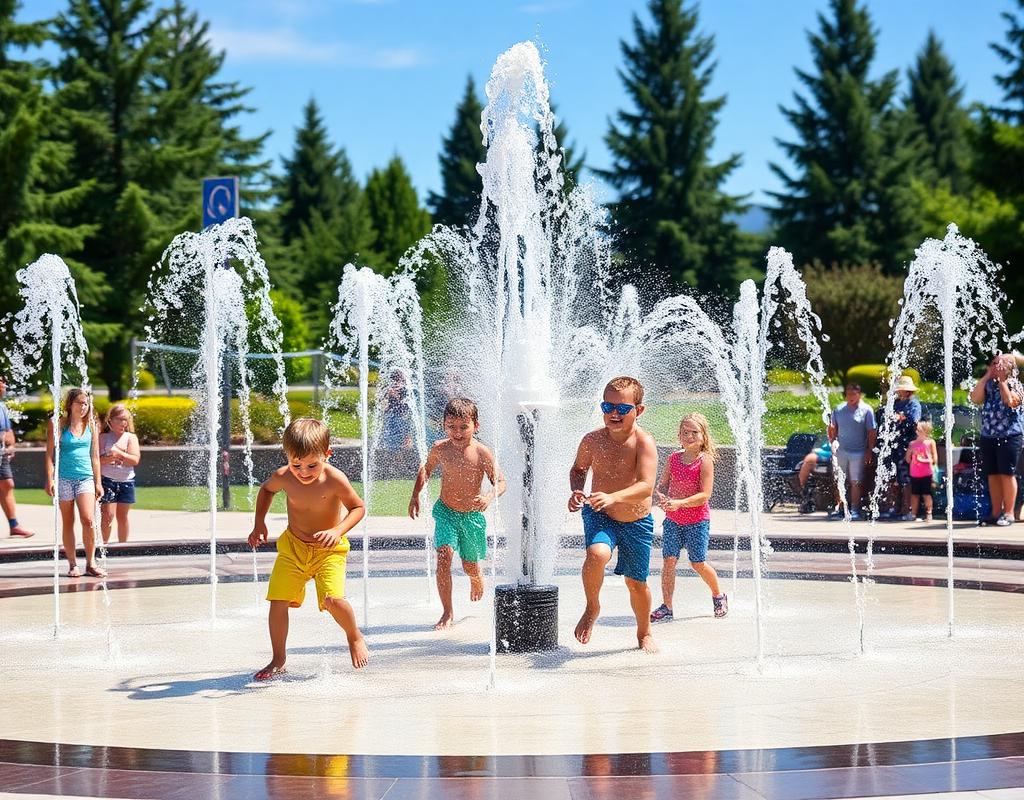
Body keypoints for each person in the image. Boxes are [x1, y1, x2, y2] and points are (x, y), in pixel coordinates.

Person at [247, 418, 368, 679]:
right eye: (296, 464)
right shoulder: (284, 477)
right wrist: (259, 524)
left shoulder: (335, 479)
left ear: (327, 454)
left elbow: (358, 508)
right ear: (287, 457)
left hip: (329, 551)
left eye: (312, 465)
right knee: (277, 601)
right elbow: (266, 491)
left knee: (333, 600)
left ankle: (354, 635)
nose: (303, 471)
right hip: (293, 548)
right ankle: (278, 659)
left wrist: (337, 531)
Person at [568, 376, 659, 653]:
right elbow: (578, 470)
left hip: (636, 520)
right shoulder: (592, 440)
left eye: (622, 408)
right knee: (597, 554)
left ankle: (644, 633)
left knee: (636, 582)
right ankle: (592, 605)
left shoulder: (643, 442)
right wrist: (576, 491)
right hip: (600, 514)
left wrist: (613, 496)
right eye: (608, 406)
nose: (614, 413)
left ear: (639, 410)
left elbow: (646, 486)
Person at [408, 397, 505, 631]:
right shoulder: (440, 449)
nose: (458, 433)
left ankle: (475, 576)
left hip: (471, 518)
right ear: (444, 425)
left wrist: (489, 496)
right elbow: (426, 470)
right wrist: (415, 495)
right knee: (444, 556)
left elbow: (500, 482)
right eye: (451, 427)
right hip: (446, 512)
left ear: (476, 426)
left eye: (464, 427)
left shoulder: (482, 453)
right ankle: (447, 612)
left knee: (469, 565)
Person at [650, 412, 727, 623]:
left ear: (704, 436)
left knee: (698, 563)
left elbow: (705, 495)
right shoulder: (674, 458)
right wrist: (660, 494)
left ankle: (718, 595)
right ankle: (667, 606)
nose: (690, 436)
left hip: (697, 521)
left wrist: (679, 503)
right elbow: (662, 483)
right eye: (685, 432)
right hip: (673, 520)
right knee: (669, 560)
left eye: (695, 432)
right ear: (679, 435)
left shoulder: (705, 461)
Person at [45, 387, 105, 578]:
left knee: (88, 519)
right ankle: (72, 564)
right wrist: (50, 479)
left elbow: (95, 456)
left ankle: (91, 562)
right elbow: (49, 454)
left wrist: (98, 482)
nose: (84, 406)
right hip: (63, 478)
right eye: (80, 403)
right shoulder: (57, 423)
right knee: (68, 521)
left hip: (85, 478)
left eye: (86, 403)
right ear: (70, 404)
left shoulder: (92, 425)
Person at [969, 354, 1023, 527]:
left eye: (999, 364)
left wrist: (1002, 382)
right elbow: (975, 398)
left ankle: (1008, 513)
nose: (995, 366)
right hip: (989, 435)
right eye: (993, 364)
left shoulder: (1016, 385)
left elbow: (1010, 401)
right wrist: (986, 376)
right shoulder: (988, 384)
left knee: (1007, 474)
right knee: (992, 475)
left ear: (1009, 367)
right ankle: (995, 512)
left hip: (1010, 435)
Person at [827, 384, 877, 521]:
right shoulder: (839, 409)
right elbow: (833, 430)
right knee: (839, 480)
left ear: (859, 395)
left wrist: (869, 450)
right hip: (842, 450)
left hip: (858, 452)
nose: (851, 397)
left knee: (855, 481)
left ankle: (855, 509)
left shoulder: (866, 410)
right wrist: (832, 439)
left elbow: (872, 431)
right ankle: (839, 507)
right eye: (848, 394)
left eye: (854, 394)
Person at [99, 403, 141, 543]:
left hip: (126, 482)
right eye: (120, 419)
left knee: (122, 516)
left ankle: (123, 547)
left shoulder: (130, 437)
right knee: (107, 515)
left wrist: (119, 454)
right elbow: (96, 461)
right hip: (107, 481)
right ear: (110, 420)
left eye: (126, 419)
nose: (124, 423)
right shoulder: (103, 438)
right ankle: (102, 547)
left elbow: (134, 460)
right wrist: (109, 458)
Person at [883, 375, 922, 521]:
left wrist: (900, 417)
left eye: (902, 389)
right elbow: (886, 419)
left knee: (905, 478)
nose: (900, 392)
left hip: (907, 446)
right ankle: (894, 507)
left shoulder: (914, 404)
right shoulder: (895, 403)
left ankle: (907, 509)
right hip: (894, 444)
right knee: (893, 477)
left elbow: (913, 420)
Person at [0, 375, 34, 538]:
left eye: (4, 381)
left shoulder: (2, 406)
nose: (4, 384)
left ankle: (14, 525)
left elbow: (7, 429)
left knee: (7, 484)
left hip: (2, 453)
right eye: (0, 381)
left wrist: (11, 445)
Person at [905, 420, 938, 522]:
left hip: (926, 473)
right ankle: (913, 514)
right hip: (915, 473)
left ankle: (929, 513)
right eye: (917, 429)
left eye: (920, 429)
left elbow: (935, 459)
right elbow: (907, 459)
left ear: (926, 431)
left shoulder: (930, 442)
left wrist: (924, 460)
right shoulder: (912, 444)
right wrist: (911, 452)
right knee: (914, 494)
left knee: (926, 494)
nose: (917, 430)